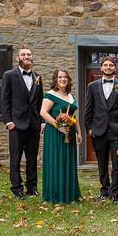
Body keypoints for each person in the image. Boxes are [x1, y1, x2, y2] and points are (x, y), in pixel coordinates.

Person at [0, 48, 43, 198]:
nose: (26, 57)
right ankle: (16, 188)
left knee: (32, 158)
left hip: (34, 124)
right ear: (18, 58)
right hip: (16, 125)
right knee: (16, 158)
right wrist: (8, 121)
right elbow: (4, 100)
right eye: (23, 54)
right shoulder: (9, 75)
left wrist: (42, 121)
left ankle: (32, 187)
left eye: (29, 54)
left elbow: (39, 102)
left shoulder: (38, 77)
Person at [84, 56, 118, 202]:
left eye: (111, 65)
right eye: (105, 65)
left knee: (117, 164)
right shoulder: (92, 86)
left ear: (115, 68)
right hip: (98, 130)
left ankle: (115, 193)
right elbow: (88, 109)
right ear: (101, 68)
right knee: (102, 163)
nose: (108, 67)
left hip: (116, 131)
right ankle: (104, 190)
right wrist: (89, 128)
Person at [39, 69, 82, 203]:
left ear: (68, 80)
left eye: (65, 77)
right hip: (55, 134)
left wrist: (78, 132)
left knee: (67, 162)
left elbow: (74, 116)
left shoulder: (70, 96)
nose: (63, 79)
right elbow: (43, 113)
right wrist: (58, 126)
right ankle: (55, 194)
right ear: (55, 80)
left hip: (69, 134)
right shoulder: (51, 95)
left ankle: (69, 193)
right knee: (56, 162)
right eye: (60, 77)